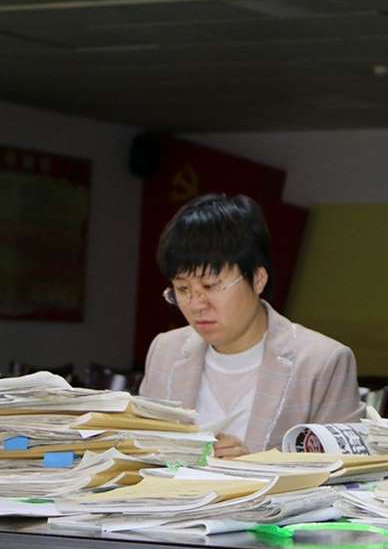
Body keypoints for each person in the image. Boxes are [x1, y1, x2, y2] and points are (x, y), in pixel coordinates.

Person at [139, 193, 363, 457]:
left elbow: (347, 469)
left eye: (211, 286)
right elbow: (143, 452)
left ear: (258, 279)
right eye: (182, 289)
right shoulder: (165, 351)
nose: (196, 304)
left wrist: (254, 465)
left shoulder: (322, 362)